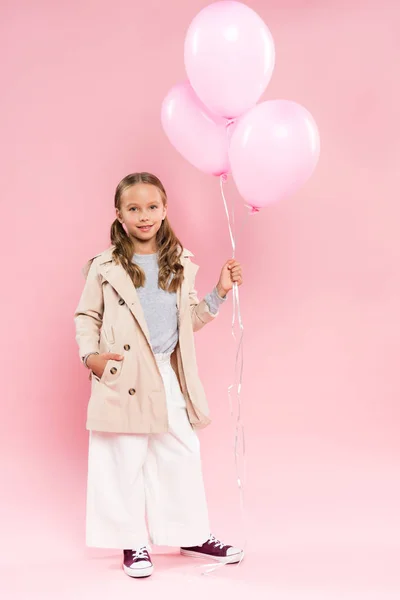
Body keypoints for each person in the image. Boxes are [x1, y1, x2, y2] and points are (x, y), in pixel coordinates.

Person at [74, 172, 244, 578]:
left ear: (165, 210)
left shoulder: (180, 264)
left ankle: (190, 532)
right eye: (134, 208)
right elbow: (87, 316)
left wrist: (218, 292)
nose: (144, 216)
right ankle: (133, 540)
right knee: (123, 458)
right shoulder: (105, 266)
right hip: (124, 374)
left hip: (166, 370)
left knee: (181, 452)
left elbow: (191, 320)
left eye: (152, 207)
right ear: (119, 214)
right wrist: (92, 358)